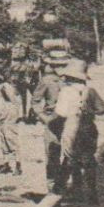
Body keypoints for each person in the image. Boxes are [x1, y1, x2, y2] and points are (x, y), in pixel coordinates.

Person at [55, 59, 104, 204]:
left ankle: (77, 190)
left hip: (72, 126)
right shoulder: (90, 91)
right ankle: (92, 192)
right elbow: (103, 109)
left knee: (72, 159)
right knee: (89, 159)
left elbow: (61, 112)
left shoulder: (66, 91)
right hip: (89, 127)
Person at [32, 59, 65, 193]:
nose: (60, 68)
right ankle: (52, 186)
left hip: (71, 120)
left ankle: (75, 187)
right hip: (52, 120)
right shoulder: (46, 81)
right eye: (57, 65)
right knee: (52, 153)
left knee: (73, 154)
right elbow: (35, 101)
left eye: (62, 64)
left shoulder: (73, 80)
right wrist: (43, 117)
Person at [0, 78, 21, 175]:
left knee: (10, 138)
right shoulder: (1, 86)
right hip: (4, 114)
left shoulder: (4, 86)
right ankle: (7, 163)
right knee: (4, 139)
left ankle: (18, 164)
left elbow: (12, 98)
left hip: (7, 114)